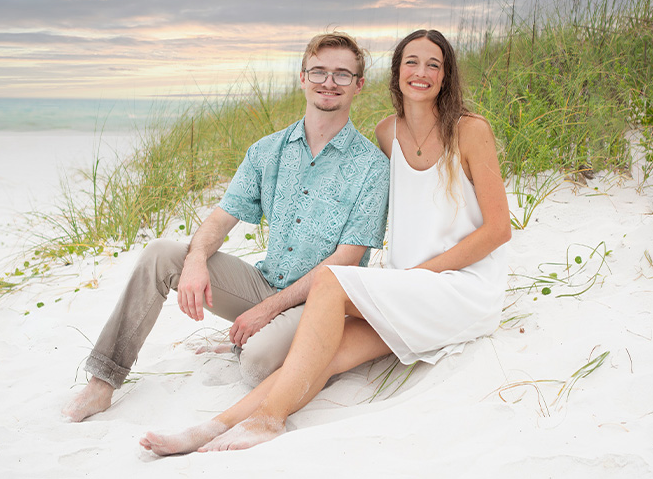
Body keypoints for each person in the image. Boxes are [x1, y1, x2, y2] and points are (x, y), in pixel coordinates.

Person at [139, 29, 511, 454]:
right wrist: (404, 281)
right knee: (325, 352)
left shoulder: (471, 130)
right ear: (396, 72)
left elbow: (499, 229)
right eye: (411, 61)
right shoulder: (388, 132)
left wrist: (417, 277)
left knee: (332, 282)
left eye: (433, 64)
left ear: (446, 76)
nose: (421, 72)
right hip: (407, 287)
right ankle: (212, 427)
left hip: (460, 289)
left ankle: (268, 420)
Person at [63, 31, 389, 423]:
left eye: (341, 74)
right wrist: (197, 258)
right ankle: (103, 382)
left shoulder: (372, 167)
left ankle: (255, 344)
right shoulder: (267, 151)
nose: (328, 83)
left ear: (359, 85)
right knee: (161, 255)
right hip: (264, 286)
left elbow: (347, 260)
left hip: (322, 303)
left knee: (256, 363)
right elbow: (221, 218)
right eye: (319, 71)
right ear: (302, 78)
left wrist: (267, 312)